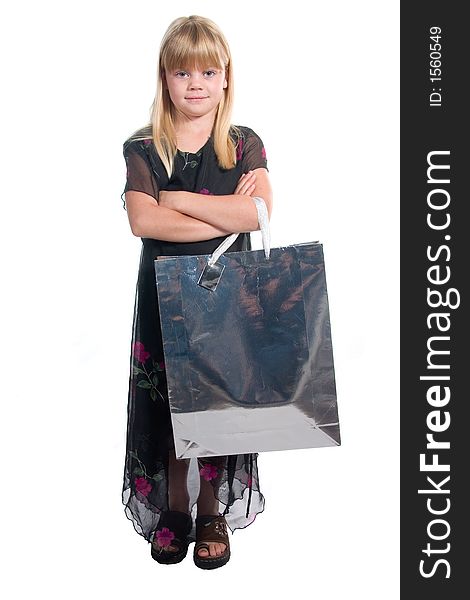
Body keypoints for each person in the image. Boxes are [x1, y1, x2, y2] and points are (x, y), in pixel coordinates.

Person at [120, 15, 273, 570]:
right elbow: (142, 222)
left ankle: (211, 509)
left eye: (208, 71)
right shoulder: (144, 147)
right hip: (164, 296)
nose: (196, 83)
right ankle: (176, 506)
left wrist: (177, 203)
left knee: (216, 404)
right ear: (166, 79)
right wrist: (222, 215)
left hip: (227, 298)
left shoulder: (242, 144)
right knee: (166, 402)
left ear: (226, 77)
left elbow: (257, 212)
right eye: (183, 72)